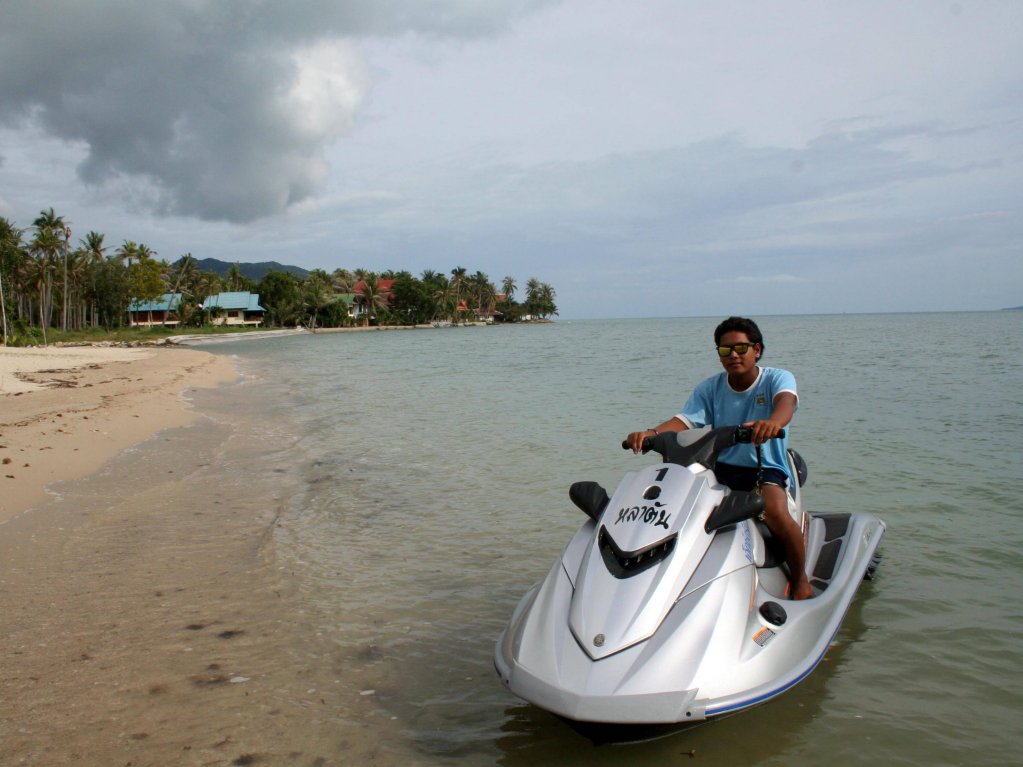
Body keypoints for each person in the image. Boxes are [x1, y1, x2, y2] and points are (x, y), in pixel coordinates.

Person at [625, 316, 813, 600]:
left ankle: (800, 579)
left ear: (757, 349)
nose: (733, 355)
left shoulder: (777, 378)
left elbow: (785, 403)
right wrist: (650, 433)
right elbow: (684, 420)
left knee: (774, 511)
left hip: (764, 468)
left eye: (741, 348)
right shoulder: (711, 387)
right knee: (676, 506)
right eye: (725, 350)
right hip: (720, 466)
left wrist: (773, 423)